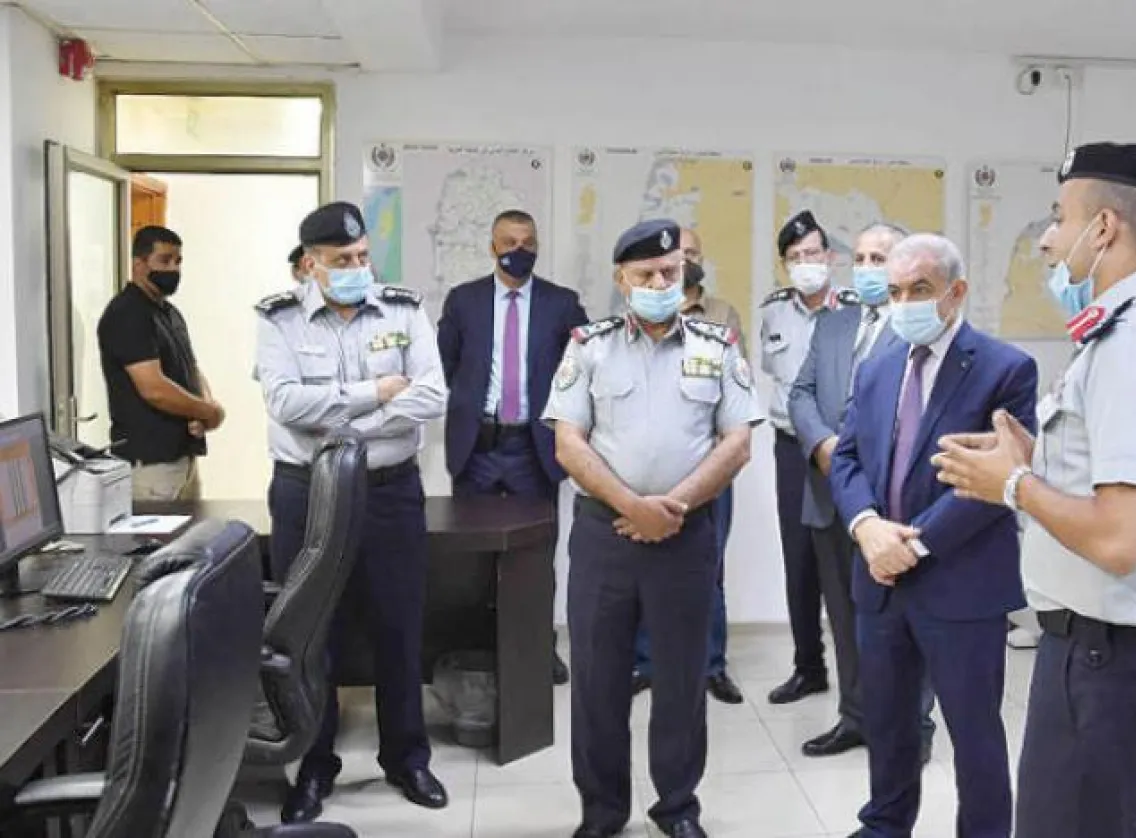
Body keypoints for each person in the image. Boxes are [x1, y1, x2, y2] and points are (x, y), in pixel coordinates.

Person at [933, 143, 1136, 837]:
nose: (1045, 238)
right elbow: (1121, 480)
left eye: (1059, 217)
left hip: (1113, 662)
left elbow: (1121, 539)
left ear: (1104, 229)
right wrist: (1034, 461)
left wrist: (1012, 484)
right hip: (1117, 653)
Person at [544, 219, 762, 838]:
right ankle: (602, 810)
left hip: (686, 537)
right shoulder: (588, 345)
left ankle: (677, 808)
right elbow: (568, 443)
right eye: (646, 275)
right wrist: (631, 507)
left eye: (670, 272)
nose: (661, 282)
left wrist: (675, 506)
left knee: (682, 680)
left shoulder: (717, 346)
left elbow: (738, 441)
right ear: (622, 280)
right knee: (597, 681)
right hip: (602, 535)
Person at [830, 233, 1038, 837]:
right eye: (895, 292)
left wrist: (913, 545)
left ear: (956, 292)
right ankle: (885, 825)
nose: (904, 303)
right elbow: (846, 460)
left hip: (960, 583)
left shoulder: (1005, 368)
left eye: (919, 290)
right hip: (879, 579)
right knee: (889, 724)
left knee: (973, 732)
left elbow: (998, 482)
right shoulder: (878, 366)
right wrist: (868, 529)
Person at [256, 202, 450, 823]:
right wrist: (372, 392)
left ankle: (407, 758)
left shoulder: (403, 308)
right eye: (341, 262)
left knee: (400, 624)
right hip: (305, 491)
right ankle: (313, 766)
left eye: (363, 257)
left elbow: (431, 393)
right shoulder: (277, 319)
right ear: (310, 265)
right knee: (310, 634)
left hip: (390, 489)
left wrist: (341, 421)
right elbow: (285, 402)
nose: (356, 270)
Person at [788, 222, 938, 761]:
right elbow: (800, 392)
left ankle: (911, 729)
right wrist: (823, 444)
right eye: (863, 258)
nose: (870, 268)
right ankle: (855, 717)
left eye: (882, 258)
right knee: (847, 618)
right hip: (829, 495)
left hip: (891, 501)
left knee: (905, 621)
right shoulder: (834, 322)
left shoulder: (920, 329)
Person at [437, 208, 588, 686]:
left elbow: (584, 365)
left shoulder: (561, 303)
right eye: (508, 242)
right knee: (471, 560)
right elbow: (444, 365)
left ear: (537, 246)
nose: (518, 251)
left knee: (537, 557)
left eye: (527, 242)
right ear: (492, 246)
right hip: (476, 447)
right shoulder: (464, 301)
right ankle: (477, 649)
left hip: (533, 448)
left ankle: (539, 647)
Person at [632, 226, 746, 704]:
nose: (684, 264)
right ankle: (646, 663)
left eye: (692, 256)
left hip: (709, 472)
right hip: (649, 472)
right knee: (645, 569)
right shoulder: (634, 315)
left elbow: (740, 392)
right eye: (679, 256)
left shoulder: (722, 316)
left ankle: (711, 666)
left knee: (709, 569)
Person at [762, 209, 852, 705]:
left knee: (844, 561)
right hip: (791, 450)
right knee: (798, 562)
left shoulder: (856, 311)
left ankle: (858, 678)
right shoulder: (773, 313)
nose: (805, 263)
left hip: (842, 451)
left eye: (812, 253)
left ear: (830, 257)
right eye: (795, 258)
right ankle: (808, 667)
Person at [96, 225, 223, 502]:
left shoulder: (168, 312)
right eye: (164, 260)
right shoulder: (127, 313)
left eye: (178, 262)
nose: (173, 269)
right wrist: (209, 412)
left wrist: (205, 406)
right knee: (161, 546)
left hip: (182, 459)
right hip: (152, 466)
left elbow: (190, 367)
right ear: (139, 264)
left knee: (188, 543)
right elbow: (153, 388)